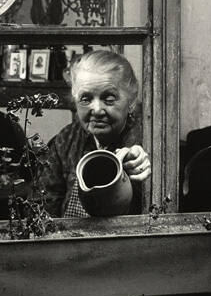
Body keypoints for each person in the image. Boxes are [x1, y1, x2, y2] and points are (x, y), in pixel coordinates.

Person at [40, 50, 151, 217]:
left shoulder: (150, 139)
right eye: (85, 99)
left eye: (109, 99)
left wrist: (138, 165)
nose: (97, 110)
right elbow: (43, 207)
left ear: (131, 102)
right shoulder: (65, 140)